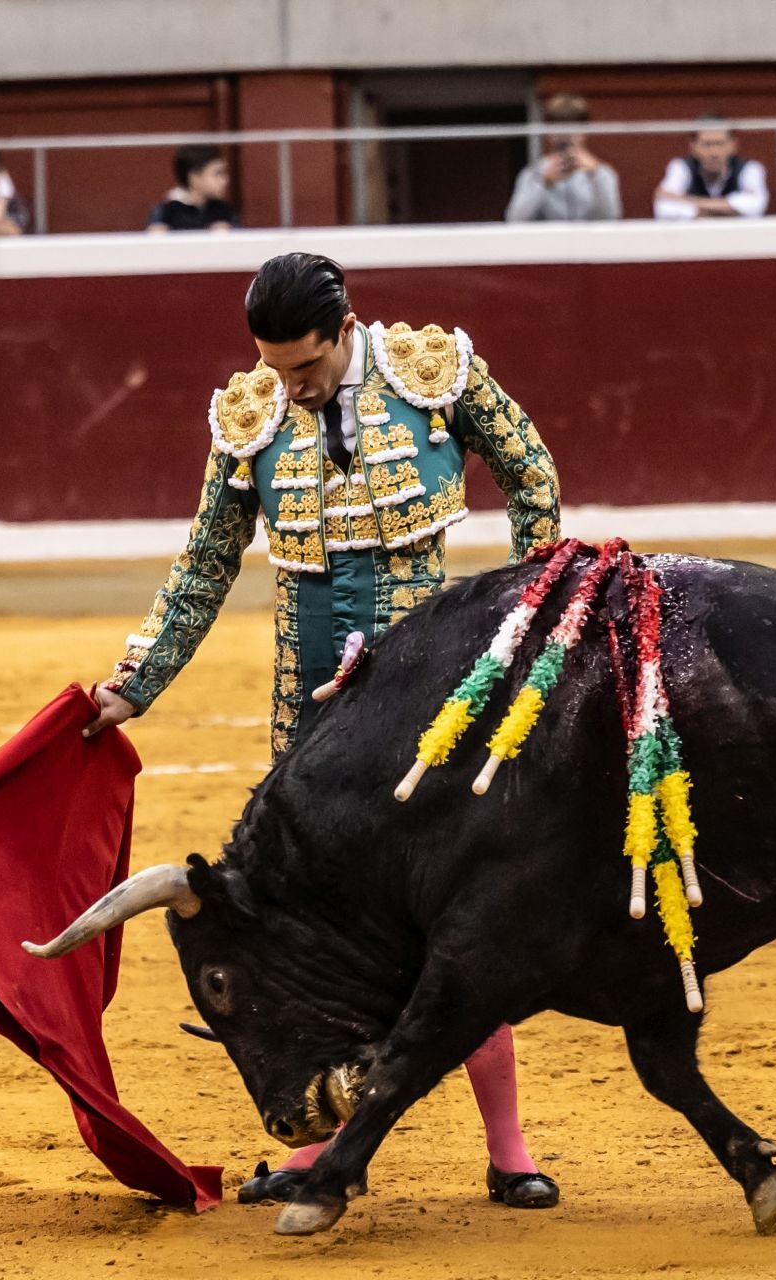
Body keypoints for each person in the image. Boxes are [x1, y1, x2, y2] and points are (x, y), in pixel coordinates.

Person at [85, 252, 562, 1211]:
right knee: (323, 937)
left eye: (303, 368)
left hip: (430, 701)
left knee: (456, 922)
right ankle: (321, 1146)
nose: (289, 389)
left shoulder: (434, 374)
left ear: (345, 330)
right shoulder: (251, 414)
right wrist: (137, 683)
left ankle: (509, 1151)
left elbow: (533, 477)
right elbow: (206, 562)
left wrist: (523, 622)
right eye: (273, 366)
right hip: (309, 717)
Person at [506, 94, 621, 222]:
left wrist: (595, 176)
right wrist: (543, 183)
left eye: (572, 130)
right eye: (559, 130)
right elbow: (515, 220)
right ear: (549, 133)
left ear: (584, 132)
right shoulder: (533, 173)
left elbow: (611, 218)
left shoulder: (602, 173)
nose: (565, 136)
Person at [652, 119, 768, 219]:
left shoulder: (750, 168)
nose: (714, 153)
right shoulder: (680, 166)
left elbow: (755, 206)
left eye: (720, 144)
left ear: (733, 145)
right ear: (693, 147)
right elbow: (664, 209)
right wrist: (728, 211)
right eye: (707, 144)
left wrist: (688, 201)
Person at [148, 145, 240, 231]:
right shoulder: (166, 213)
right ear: (194, 177)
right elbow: (155, 244)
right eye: (218, 173)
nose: (225, 180)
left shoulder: (224, 211)